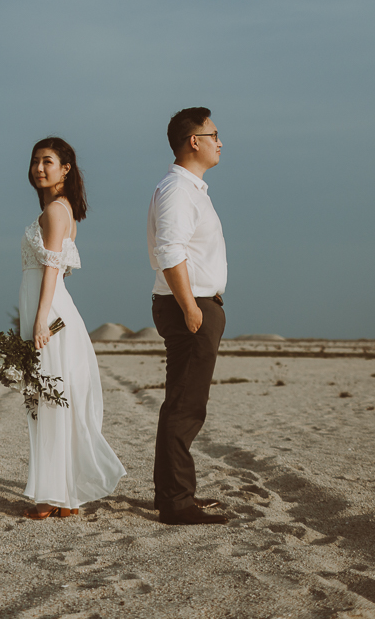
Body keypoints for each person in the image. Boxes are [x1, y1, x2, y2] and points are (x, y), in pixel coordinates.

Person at [19, 137, 126, 519]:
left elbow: (51, 269)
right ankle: (66, 496)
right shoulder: (62, 210)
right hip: (50, 308)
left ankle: (52, 497)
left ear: (66, 168)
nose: (39, 168)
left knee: (49, 400)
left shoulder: (55, 212)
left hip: (49, 315)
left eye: (48, 161)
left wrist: (39, 320)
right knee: (54, 398)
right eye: (35, 161)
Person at [147, 107, 230, 525]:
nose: (221, 141)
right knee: (185, 405)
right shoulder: (178, 190)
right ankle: (177, 502)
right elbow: (170, 250)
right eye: (214, 133)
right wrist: (191, 308)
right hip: (189, 306)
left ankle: (173, 494)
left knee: (182, 402)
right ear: (193, 141)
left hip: (195, 304)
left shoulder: (192, 189)